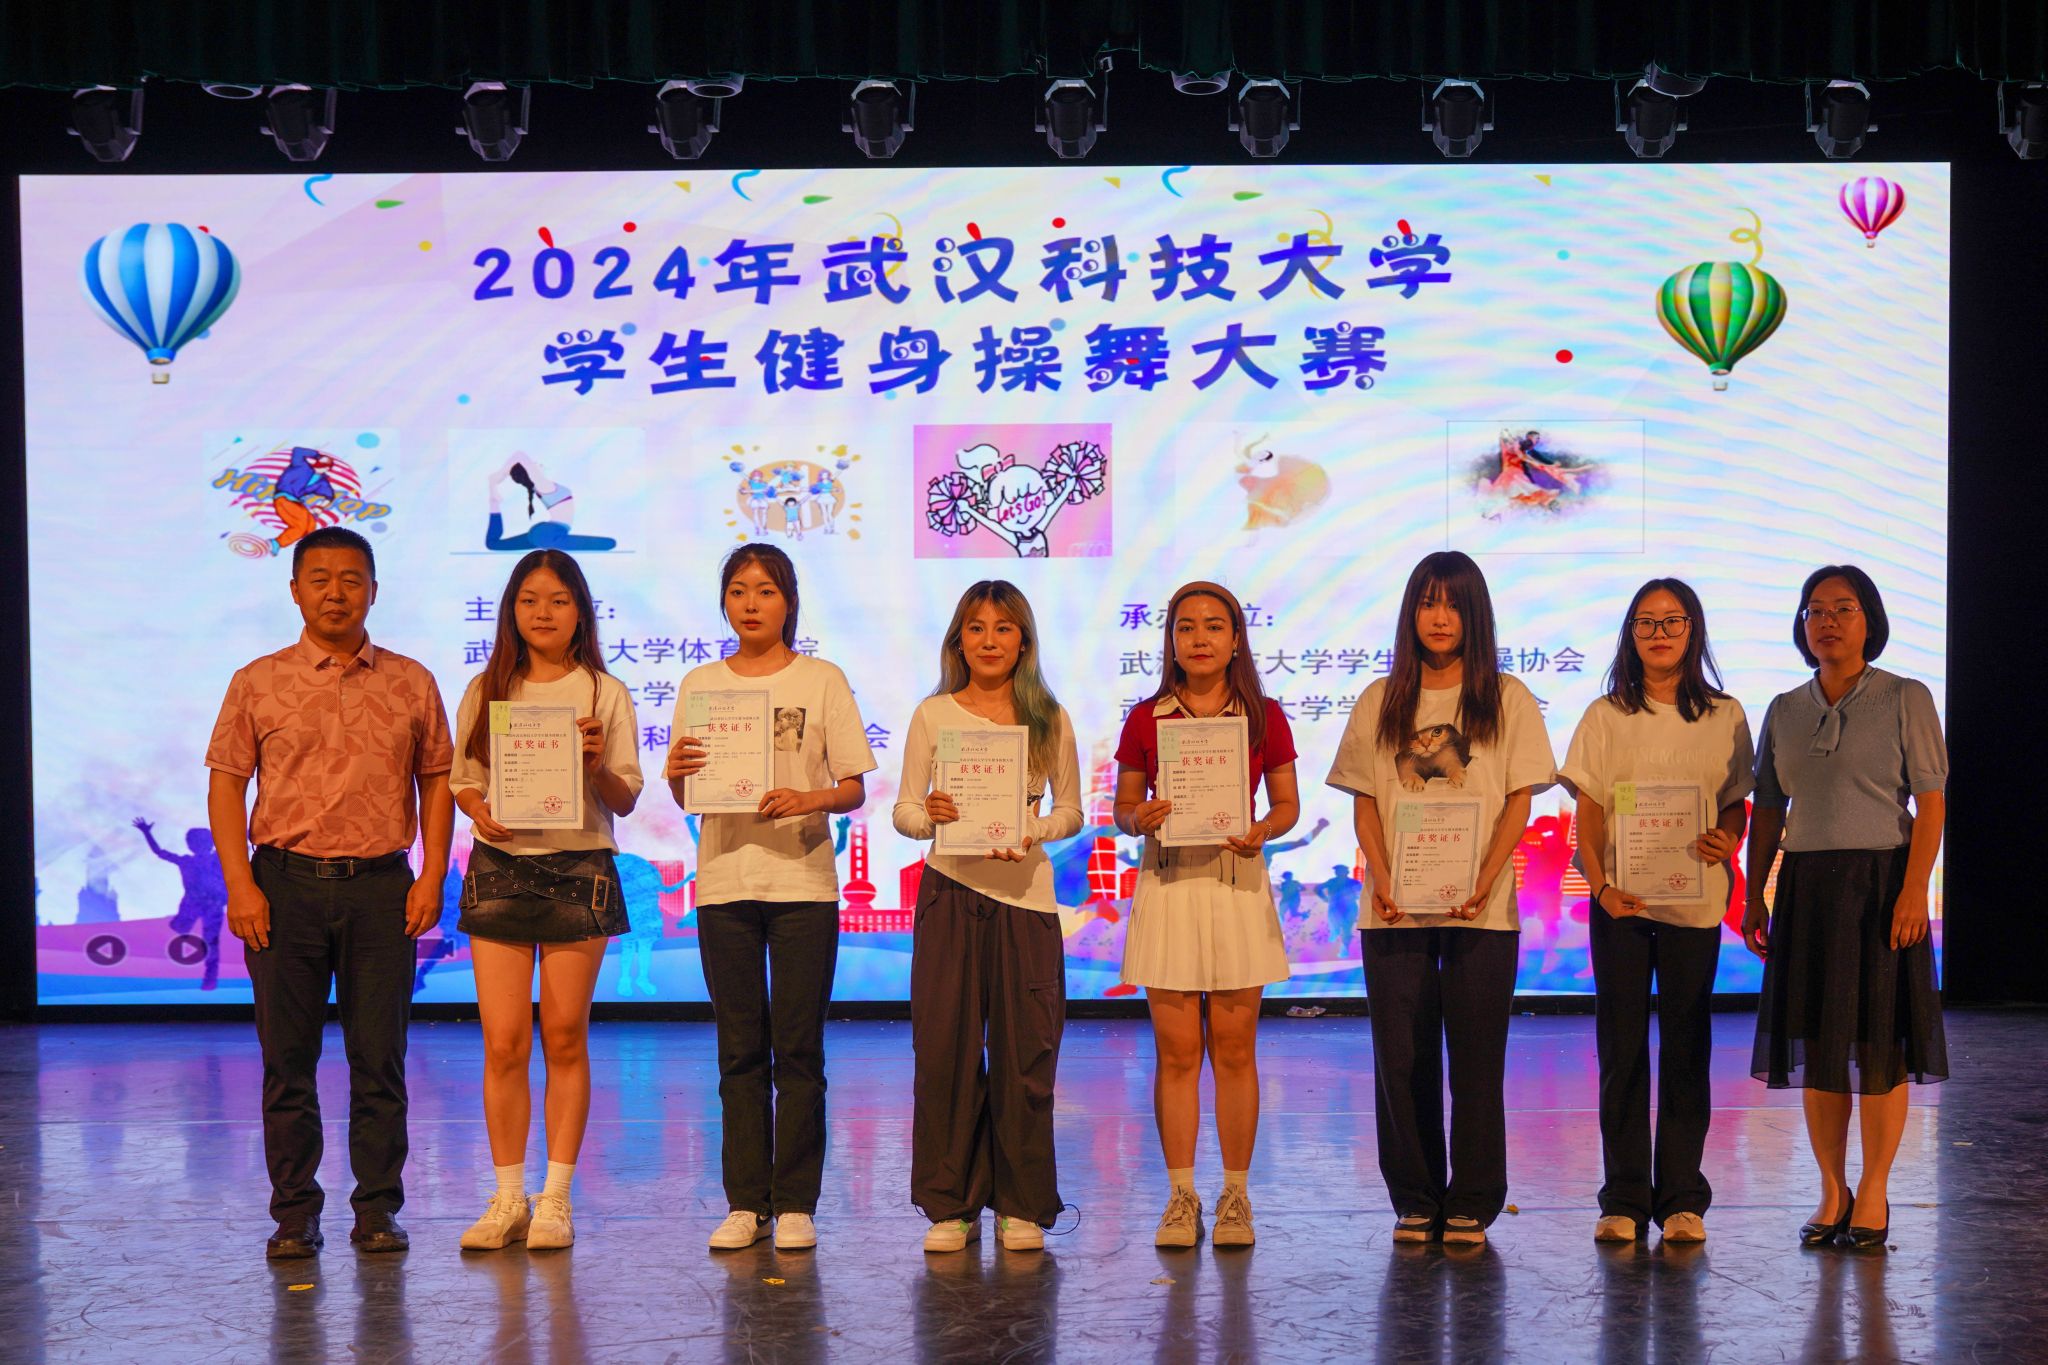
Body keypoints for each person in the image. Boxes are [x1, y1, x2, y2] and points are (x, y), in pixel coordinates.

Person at [204, 525, 453, 1259]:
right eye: (320, 579)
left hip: (381, 888)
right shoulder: (258, 680)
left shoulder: (411, 680)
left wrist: (432, 873)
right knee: (288, 1061)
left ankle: (377, 1209)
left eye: (351, 579)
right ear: (295, 591)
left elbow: (437, 780)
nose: (335, 593)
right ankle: (294, 1214)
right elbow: (226, 784)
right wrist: (240, 884)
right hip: (283, 887)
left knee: (381, 1059)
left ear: (374, 591)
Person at [1325, 551, 1555, 1247]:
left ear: (1475, 613)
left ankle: (1473, 1200)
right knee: (1402, 1058)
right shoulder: (1381, 699)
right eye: (1427, 602)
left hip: (1481, 908)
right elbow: (1366, 800)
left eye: (1453, 603)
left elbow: (1518, 799)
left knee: (1478, 1058)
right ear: (1411, 613)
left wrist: (1485, 877)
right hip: (1394, 908)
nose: (1440, 617)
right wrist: (1383, 875)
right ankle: (1416, 1197)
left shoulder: (1507, 697)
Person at [666, 544, 877, 1252]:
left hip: (801, 884)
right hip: (725, 883)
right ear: (723, 601)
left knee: (799, 1048)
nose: (750, 603)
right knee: (738, 1049)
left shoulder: (821, 679)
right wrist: (677, 772)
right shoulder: (702, 684)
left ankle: (795, 1202)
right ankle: (745, 1201)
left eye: (765, 589)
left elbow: (854, 786)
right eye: (738, 589)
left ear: (789, 600)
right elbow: (688, 795)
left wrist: (808, 797)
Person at [1742, 565, 1947, 1251]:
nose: (1827, 620)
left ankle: (1876, 1191)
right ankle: (1832, 1190)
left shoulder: (1905, 696)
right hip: (1806, 888)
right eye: (1815, 609)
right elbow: (1767, 811)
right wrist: (1756, 893)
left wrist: (1915, 890)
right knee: (1818, 1045)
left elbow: (1931, 803)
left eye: (1844, 608)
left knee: (1881, 1045)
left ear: (1870, 620)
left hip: (1883, 885)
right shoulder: (1784, 708)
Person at [447, 549, 644, 1252]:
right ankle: (507, 1198)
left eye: (559, 600)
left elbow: (626, 794)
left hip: (579, 868)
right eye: (529, 599)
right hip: (500, 867)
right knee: (503, 1042)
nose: (543, 612)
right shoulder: (487, 688)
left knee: (564, 1036)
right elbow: (463, 778)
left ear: (581, 612)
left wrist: (594, 765)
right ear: (511, 610)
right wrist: (478, 808)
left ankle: (555, 1199)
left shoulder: (604, 692)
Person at [1560, 579, 1754, 1245]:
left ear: (1693, 629)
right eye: (1646, 621)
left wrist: (1728, 837)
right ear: (1630, 634)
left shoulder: (1725, 714)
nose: (1660, 632)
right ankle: (1622, 1197)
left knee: (1686, 1049)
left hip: (1693, 903)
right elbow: (1588, 810)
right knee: (1620, 1051)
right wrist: (1600, 886)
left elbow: (1734, 802)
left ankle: (1681, 1198)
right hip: (1621, 903)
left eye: (1672, 620)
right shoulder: (1605, 714)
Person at [893, 581, 1083, 1254]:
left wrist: (1036, 828)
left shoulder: (1048, 717)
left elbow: (1071, 810)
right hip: (949, 892)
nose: (990, 640)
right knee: (943, 1051)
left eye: (1004, 628)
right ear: (958, 640)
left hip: (1025, 900)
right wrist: (931, 816)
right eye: (976, 628)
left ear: (1024, 641)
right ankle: (952, 1206)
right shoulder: (932, 714)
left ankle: (1020, 1205)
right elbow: (904, 811)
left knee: (1026, 1053)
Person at [1113, 581, 1300, 1249]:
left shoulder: (1264, 715)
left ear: (1236, 639)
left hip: (1235, 884)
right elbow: (1123, 808)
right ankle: (1180, 1196)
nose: (1199, 638)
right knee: (1176, 1054)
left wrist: (1262, 829)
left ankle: (1236, 1197)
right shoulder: (1146, 717)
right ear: (1170, 640)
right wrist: (1140, 816)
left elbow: (1286, 805)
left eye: (1214, 626)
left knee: (1235, 1050)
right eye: (1186, 627)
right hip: (1168, 885)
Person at [132, 817, 228, 989]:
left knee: (210, 942)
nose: (199, 846)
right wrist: (147, 833)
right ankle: (169, 972)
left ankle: (209, 980)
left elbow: (160, 852)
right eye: (195, 842)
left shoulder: (218, 859)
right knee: (180, 931)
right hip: (193, 905)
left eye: (202, 842)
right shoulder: (188, 861)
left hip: (212, 905)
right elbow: (160, 852)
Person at [485, 455, 616, 552]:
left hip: (546, 533)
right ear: (530, 473)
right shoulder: (542, 485)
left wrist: (493, 490)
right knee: (608, 544)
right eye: (534, 465)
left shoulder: (539, 486)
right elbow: (519, 455)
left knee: (494, 544)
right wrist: (497, 477)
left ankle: (493, 503)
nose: (537, 463)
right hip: (550, 533)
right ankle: (493, 502)